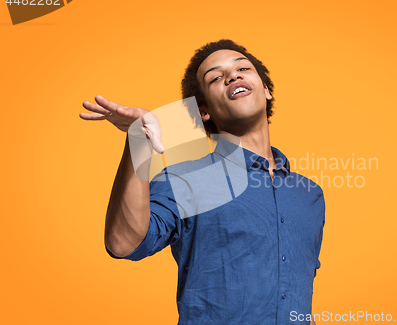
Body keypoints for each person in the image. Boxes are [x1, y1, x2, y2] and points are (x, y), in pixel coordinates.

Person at [79, 39, 325, 325]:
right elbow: (123, 243)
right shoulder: (186, 180)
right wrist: (138, 140)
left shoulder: (309, 195)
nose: (233, 76)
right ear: (204, 111)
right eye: (216, 78)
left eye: (243, 68)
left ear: (266, 90)